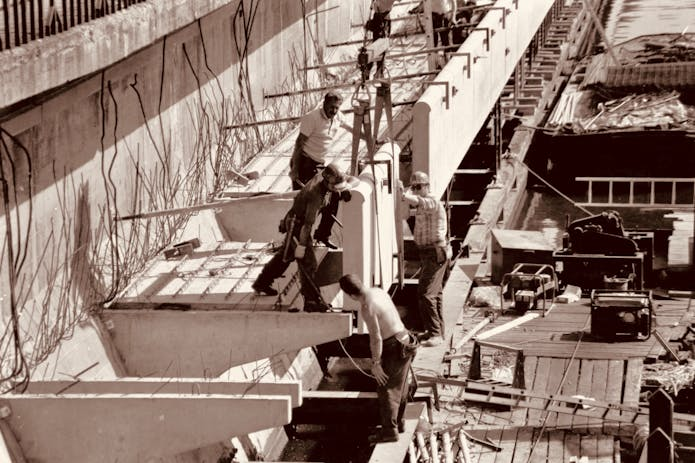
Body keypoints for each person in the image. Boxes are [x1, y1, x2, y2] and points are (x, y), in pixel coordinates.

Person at [253, 163, 359, 312]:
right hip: (297, 226)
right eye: (335, 186)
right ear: (327, 181)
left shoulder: (329, 177)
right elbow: (307, 226)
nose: (337, 189)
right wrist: (302, 247)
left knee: (285, 257)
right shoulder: (315, 195)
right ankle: (311, 301)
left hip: (296, 220)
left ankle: (262, 283)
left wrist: (347, 187)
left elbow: (355, 179)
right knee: (308, 263)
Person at [339, 274, 418, 443]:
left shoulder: (367, 306)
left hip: (394, 345)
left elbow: (376, 337)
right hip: (405, 338)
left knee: (386, 388)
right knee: (401, 385)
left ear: (351, 295)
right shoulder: (378, 291)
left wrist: (376, 363)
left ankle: (390, 432)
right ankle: (399, 423)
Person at [290, 92, 355, 249]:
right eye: (331, 107)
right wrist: (295, 170)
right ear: (324, 103)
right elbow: (299, 144)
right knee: (306, 204)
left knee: (333, 197)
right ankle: (295, 240)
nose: (334, 111)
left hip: (319, 164)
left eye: (337, 108)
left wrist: (370, 139)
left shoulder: (338, 116)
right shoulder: (311, 118)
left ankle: (322, 234)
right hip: (305, 163)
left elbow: (353, 129)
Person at [401, 171, 450, 347]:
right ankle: (435, 331)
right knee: (434, 293)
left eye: (419, 186)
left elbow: (419, 201)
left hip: (435, 252)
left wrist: (403, 193)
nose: (416, 190)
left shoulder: (432, 200)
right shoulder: (422, 205)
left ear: (427, 186)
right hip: (429, 252)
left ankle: (436, 334)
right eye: (414, 187)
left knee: (426, 293)